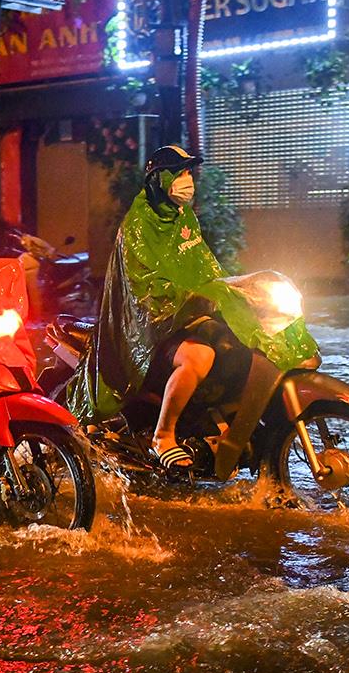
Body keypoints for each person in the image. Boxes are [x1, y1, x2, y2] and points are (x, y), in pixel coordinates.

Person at [66, 144, 318, 476]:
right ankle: (163, 436)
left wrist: (232, 289)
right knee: (200, 356)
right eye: (180, 172)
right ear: (160, 179)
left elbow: (202, 265)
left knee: (240, 341)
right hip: (150, 327)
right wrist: (194, 294)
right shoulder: (139, 225)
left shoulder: (183, 215)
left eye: (188, 172)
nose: (187, 179)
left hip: (185, 315)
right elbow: (144, 286)